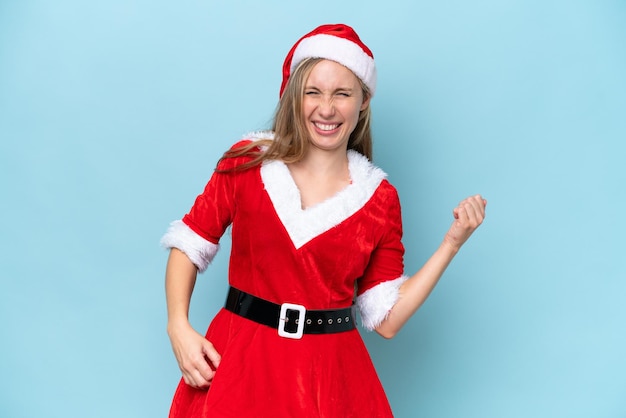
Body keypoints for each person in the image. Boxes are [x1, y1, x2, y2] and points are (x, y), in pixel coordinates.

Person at [161, 23, 486, 417]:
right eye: (313, 92)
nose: (326, 109)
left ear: (363, 100)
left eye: (342, 94)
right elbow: (190, 241)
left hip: (330, 378)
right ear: (295, 95)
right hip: (241, 363)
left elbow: (385, 319)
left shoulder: (378, 199)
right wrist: (178, 325)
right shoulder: (247, 162)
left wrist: (451, 243)